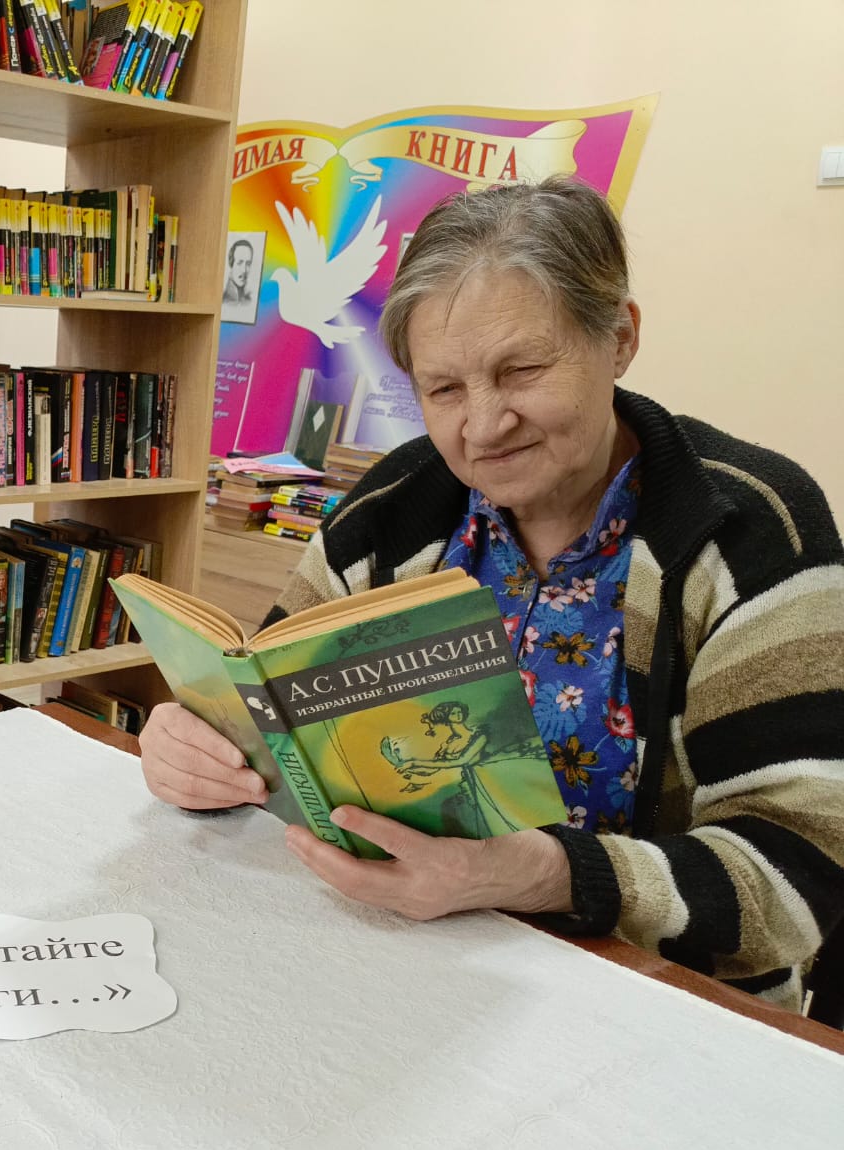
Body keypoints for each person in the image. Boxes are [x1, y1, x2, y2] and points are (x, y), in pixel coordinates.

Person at [141, 176, 844, 1012]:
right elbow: (271, 707)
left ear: (619, 338)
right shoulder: (394, 508)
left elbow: (799, 874)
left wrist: (546, 876)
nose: (481, 425)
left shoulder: (748, 528)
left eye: (522, 370)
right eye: (442, 389)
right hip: (409, 962)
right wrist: (199, 750)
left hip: (663, 1002)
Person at [222, 238, 255, 305]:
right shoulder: (224, 300)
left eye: (248, 264)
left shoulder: (249, 299)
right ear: (231, 263)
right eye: (239, 263)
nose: (244, 270)